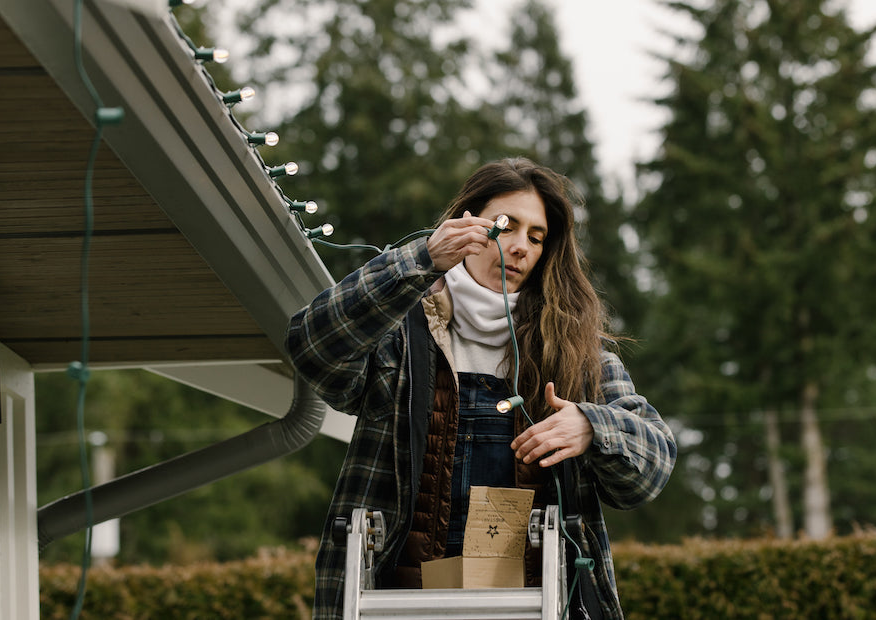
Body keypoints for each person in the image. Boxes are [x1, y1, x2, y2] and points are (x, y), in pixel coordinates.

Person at [286, 157, 676, 619]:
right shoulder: (396, 335)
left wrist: (593, 425)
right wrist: (420, 259)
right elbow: (311, 346)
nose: (520, 248)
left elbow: (653, 467)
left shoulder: (578, 356)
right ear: (466, 224)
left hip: (540, 606)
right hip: (394, 606)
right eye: (506, 226)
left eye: (536, 237)